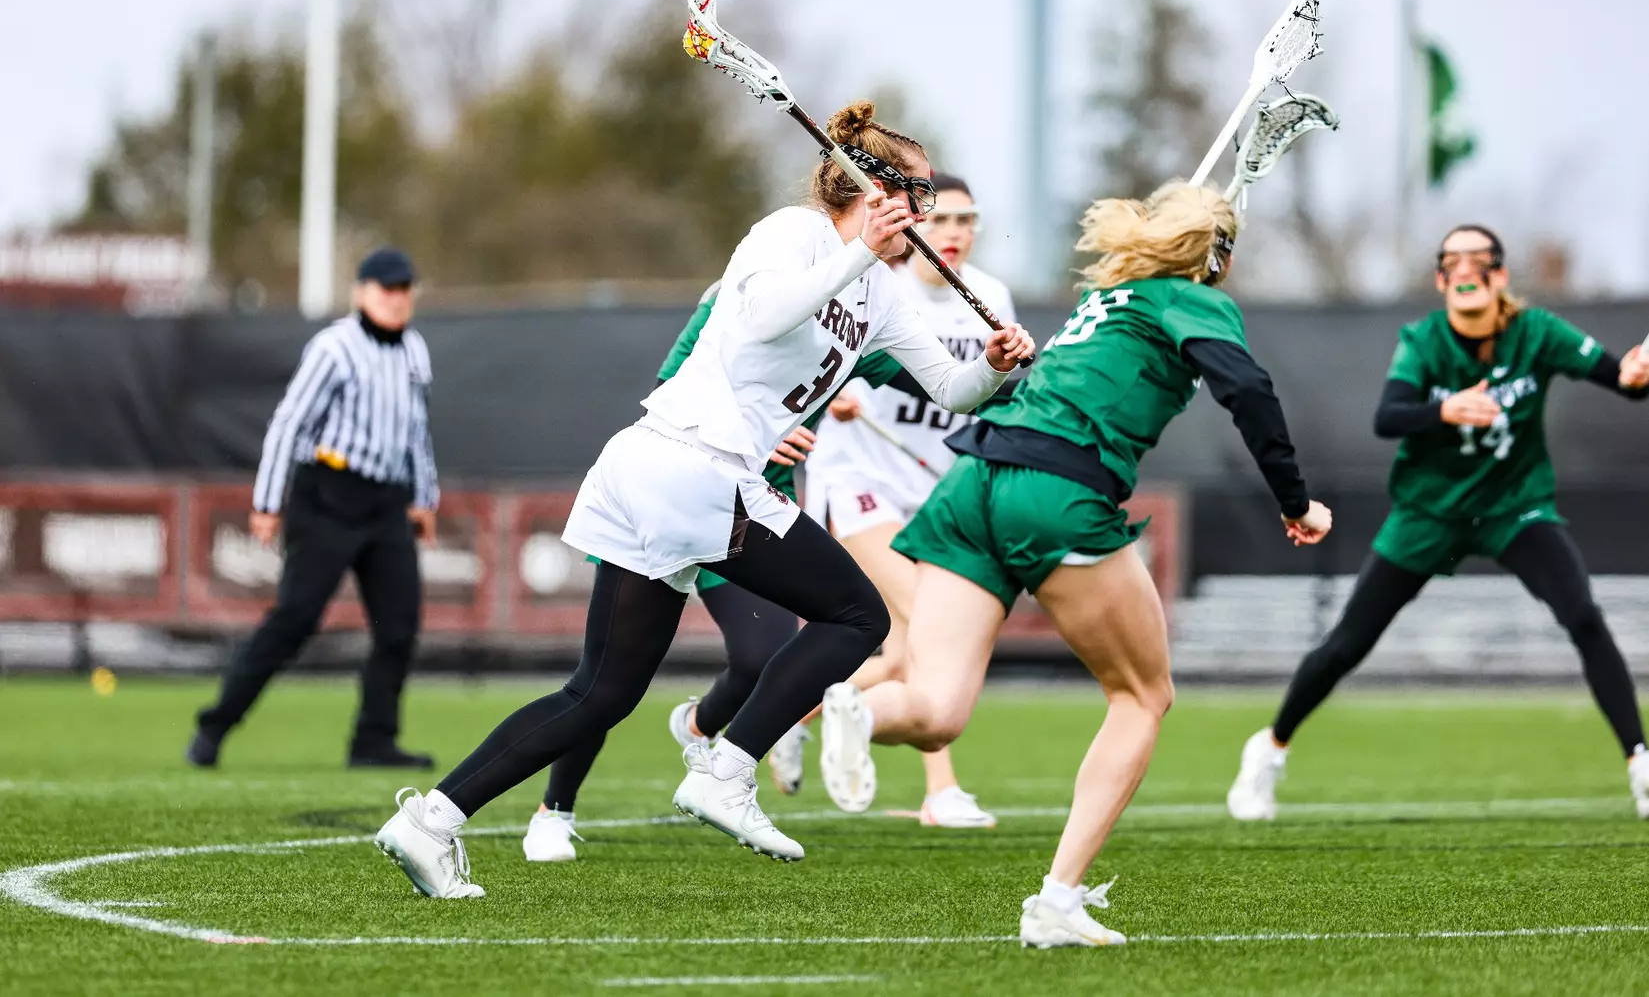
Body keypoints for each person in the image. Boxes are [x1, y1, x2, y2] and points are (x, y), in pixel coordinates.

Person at [372, 99, 1036, 898]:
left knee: (601, 692)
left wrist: (994, 364)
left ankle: (431, 820)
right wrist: (860, 247)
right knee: (858, 616)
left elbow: (952, 389)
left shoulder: (882, 296)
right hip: (687, 461)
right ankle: (726, 770)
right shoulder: (791, 233)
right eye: (919, 197)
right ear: (876, 192)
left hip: (689, 478)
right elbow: (764, 315)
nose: (927, 218)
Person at [819, 181, 1332, 947]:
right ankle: (1056, 899)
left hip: (971, 483)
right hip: (1055, 489)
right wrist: (1295, 501)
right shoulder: (1191, 300)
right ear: (1215, 256)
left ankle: (858, 709)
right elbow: (1247, 389)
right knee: (1142, 696)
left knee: (935, 712)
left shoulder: (1105, 300)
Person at [1227, 224, 1649, 822]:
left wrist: (1635, 375)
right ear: (1440, 279)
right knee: (1347, 643)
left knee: (1582, 615)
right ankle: (1268, 750)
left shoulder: (1536, 332)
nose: (1467, 269)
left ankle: (1640, 763)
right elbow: (1388, 417)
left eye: (1480, 259)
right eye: (1454, 260)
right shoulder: (1424, 341)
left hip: (1513, 507)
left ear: (1501, 275)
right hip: (1430, 512)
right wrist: (1446, 408)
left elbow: (1623, 380)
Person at [522, 284, 907, 862]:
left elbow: (936, 379)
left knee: (763, 655)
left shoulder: (866, 309)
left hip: (752, 516)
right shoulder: (748, 286)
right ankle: (554, 810)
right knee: (606, 682)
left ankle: (701, 729)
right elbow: (669, 395)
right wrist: (767, 435)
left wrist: (1008, 373)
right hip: (679, 494)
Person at [806, 173, 1012, 828]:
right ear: (916, 223)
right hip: (860, 479)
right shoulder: (879, 287)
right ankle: (940, 791)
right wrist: (832, 396)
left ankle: (777, 717)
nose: (954, 233)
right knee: (931, 624)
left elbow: (990, 391)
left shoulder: (990, 297)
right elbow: (813, 359)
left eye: (966, 220)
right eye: (941, 219)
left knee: (900, 656)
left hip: (935, 493)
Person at [188, 248, 440, 770]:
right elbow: (289, 423)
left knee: (399, 625)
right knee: (295, 619)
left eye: (404, 290)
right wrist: (266, 502)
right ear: (361, 293)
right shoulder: (334, 348)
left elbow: (416, 431)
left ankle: (373, 740)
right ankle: (216, 724)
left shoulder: (414, 350)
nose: (396, 299)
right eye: (386, 289)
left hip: (386, 501)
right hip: (328, 494)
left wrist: (424, 498)